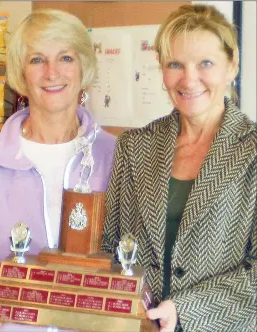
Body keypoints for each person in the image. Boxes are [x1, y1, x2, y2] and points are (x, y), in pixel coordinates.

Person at [102, 4, 257, 332]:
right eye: (175, 64)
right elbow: (109, 248)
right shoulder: (133, 147)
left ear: (232, 65)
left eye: (206, 63)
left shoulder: (253, 151)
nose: (189, 79)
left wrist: (186, 309)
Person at [0, 9, 116, 332]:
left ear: (84, 67)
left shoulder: (118, 155)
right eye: (37, 60)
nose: (52, 72)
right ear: (21, 74)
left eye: (65, 57)